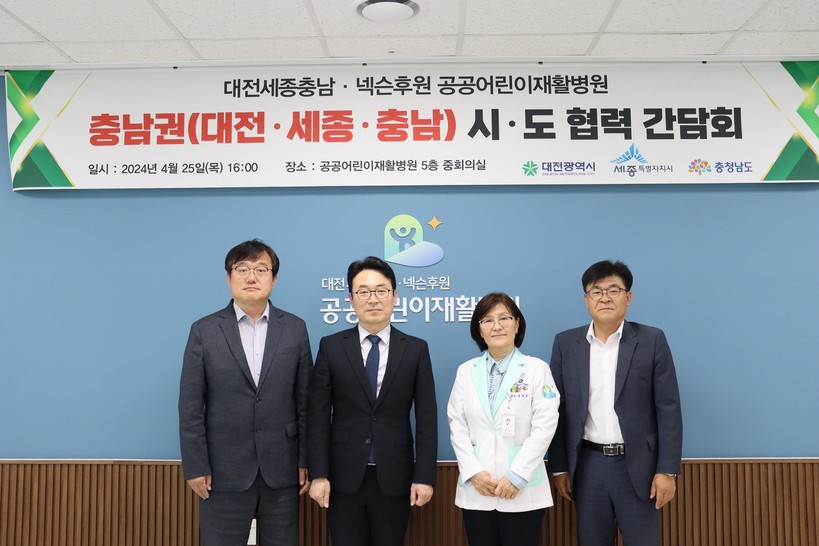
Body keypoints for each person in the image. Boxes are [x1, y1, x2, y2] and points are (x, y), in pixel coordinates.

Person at [178, 239, 313, 546]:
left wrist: (306, 459)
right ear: (229, 278)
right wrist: (196, 466)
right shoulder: (204, 330)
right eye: (242, 269)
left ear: (274, 279)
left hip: (283, 470)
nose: (252, 277)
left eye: (261, 269)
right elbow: (190, 406)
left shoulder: (295, 328)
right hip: (222, 471)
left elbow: (305, 402)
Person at [548, 260, 683, 546]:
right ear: (586, 299)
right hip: (587, 466)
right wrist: (560, 467)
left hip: (639, 467)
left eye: (613, 290)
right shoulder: (566, 344)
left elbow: (669, 409)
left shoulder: (652, 340)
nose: (605, 298)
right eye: (596, 291)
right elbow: (557, 411)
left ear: (628, 297)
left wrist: (667, 470)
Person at [307, 256, 438, 546]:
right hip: (342, 478)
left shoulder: (415, 349)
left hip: (395, 477)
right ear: (351, 299)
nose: (373, 299)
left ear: (395, 296)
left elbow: (427, 419)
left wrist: (425, 476)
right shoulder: (331, 346)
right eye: (363, 292)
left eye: (381, 290)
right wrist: (318, 474)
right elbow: (317, 418)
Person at [447, 292, 560, 546]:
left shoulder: (536, 369)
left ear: (517, 324)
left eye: (504, 318)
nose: (496, 326)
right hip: (479, 489)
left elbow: (545, 426)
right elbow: (457, 424)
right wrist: (474, 473)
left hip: (522, 489)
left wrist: (517, 475)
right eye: (487, 320)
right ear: (479, 330)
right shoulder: (466, 371)